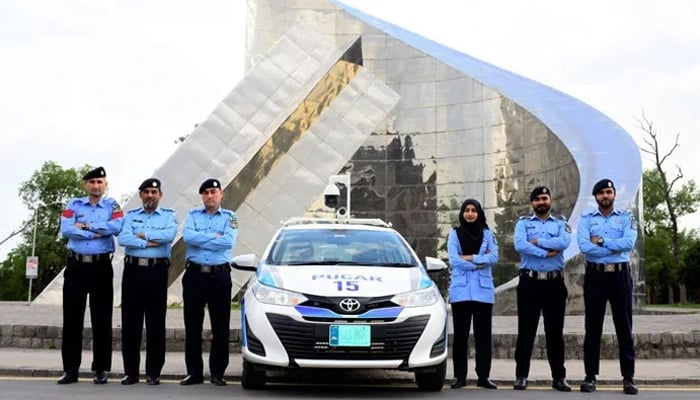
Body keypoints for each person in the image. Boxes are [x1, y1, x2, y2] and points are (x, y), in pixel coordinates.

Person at [57, 166, 124, 384]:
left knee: (102, 319)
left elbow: (116, 226)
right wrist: (94, 231)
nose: (96, 186)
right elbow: (66, 229)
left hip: (101, 267)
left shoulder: (112, 205)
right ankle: (70, 370)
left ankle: (101, 369)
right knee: (72, 319)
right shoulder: (73, 204)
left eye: (100, 182)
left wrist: (85, 225)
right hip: (76, 267)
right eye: (92, 182)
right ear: (86, 184)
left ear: (105, 185)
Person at [577, 178, 639, 395]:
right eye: (602, 193)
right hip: (596, 277)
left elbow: (628, 244)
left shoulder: (625, 218)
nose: (606, 196)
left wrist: (602, 242)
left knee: (624, 328)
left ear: (614, 195)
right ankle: (590, 377)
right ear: (596, 197)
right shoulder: (586, 219)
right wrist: (613, 247)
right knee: (592, 328)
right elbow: (585, 247)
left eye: (609, 192)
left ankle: (628, 378)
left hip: (620, 277)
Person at [117, 178, 177, 385]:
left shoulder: (169, 216)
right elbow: (123, 239)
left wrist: (142, 235)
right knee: (131, 323)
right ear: (141, 195)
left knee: (156, 323)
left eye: (154, 192)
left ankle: (153, 372)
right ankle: (131, 372)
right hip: (133, 270)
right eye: (146, 192)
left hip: (157, 272)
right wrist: (149, 242)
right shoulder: (131, 216)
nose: (150, 195)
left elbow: (169, 235)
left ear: (160, 195)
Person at [512, 186, 572, 392]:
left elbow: (564, 241)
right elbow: (520, 245)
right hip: (530, 283)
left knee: (555, 333)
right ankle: (521, 376)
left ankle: (559, 377)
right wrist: (545, 252)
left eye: (544, 198)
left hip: (554, 284)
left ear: (550, 200)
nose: (541, 202)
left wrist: (538, 241)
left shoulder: (561, 223)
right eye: (537, 199)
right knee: (526, 332)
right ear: (532, 203)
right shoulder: (523, 223)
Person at [180, 178, 238, 386]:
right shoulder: (193, 216)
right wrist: (213, 237)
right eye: (205, 193)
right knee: (192, 326)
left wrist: (202, 237)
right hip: (194, 276)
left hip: (219, 277)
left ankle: (217, 373)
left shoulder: (230, 217)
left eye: (213, 192)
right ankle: (194, 372)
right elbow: (188, 237)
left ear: (221, 194)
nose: (209, 196)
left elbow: (227, 241)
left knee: (220, 327)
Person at [446, 199, 499, 390]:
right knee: (461, 337)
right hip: (461, 292)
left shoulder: (487, 234)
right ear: (462, 213)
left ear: (479, 213)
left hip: (483, 293)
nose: (470, 214)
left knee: (483, 337)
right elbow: (454, 260)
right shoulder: (454, 234)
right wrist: (479, 263)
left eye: (473, 210)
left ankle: (483, 377)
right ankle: (460, 377)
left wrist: (470, 257)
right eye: (467, 210)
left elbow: (494, 258)